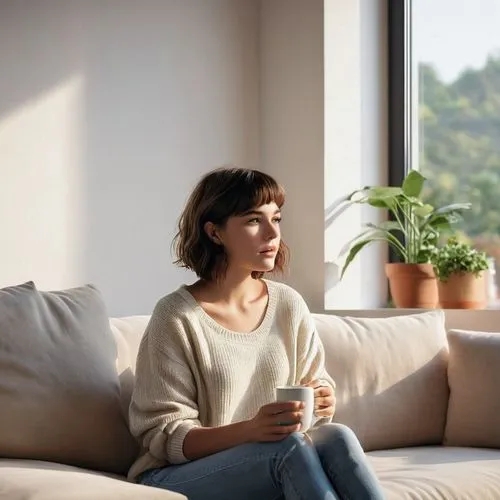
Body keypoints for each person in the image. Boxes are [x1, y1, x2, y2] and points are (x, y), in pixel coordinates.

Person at [128, 167, 385, 500]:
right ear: (215, 232)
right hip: (174, 475)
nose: (271, 233)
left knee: (337, 437)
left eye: (276, 219)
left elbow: (314, 397)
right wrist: (251, 430)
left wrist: (321, 398)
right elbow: (165, 435)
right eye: (253, 221)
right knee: (288, 449)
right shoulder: (176, 316)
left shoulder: (288, 305)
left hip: (266, 460)